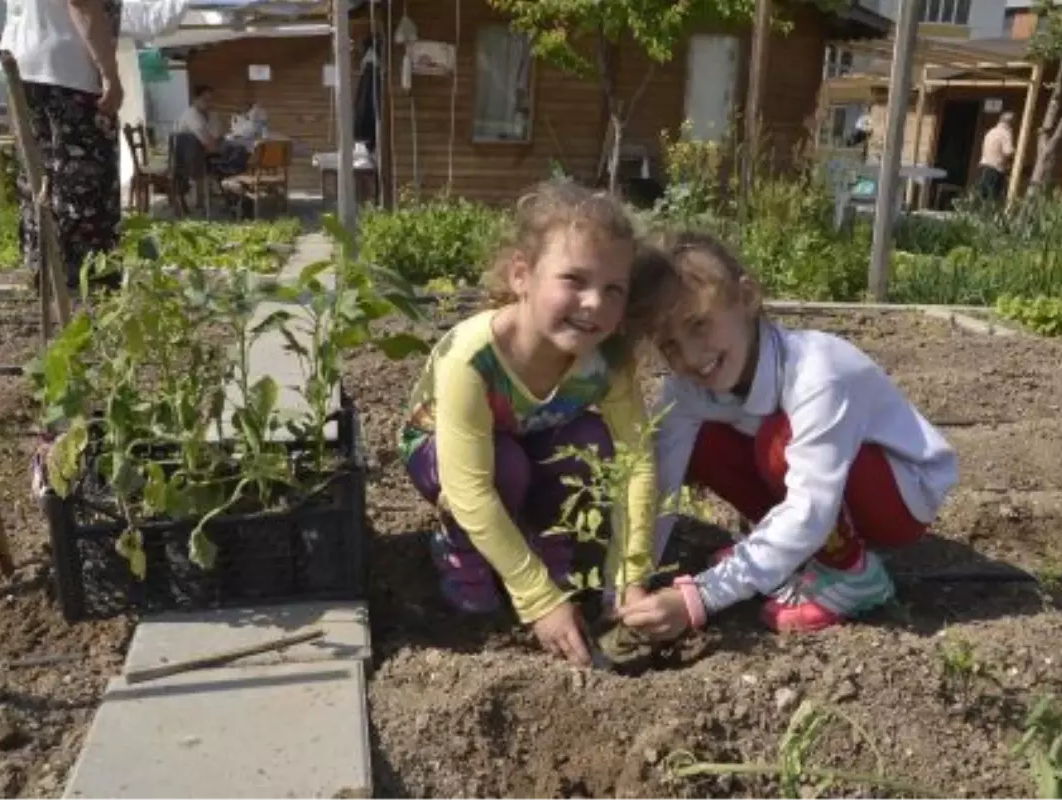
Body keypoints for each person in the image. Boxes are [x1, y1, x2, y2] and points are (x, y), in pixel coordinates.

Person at [616, 232, 958, 640]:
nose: (691, 356)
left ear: (747, 297)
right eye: (670, 344)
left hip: (899, 498)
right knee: (701, 441)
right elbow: (660, 483)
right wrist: (629, 580)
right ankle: (795, 554)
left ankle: (852, 575)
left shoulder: (816, 374)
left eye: (699, 325)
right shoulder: (687, 387)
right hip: (818, 491)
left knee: (780, 441)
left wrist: (702, 596)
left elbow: (810, 509)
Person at [399, 180, 657, 667]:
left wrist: (628, 577)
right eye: (574, 280)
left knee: (593, 444)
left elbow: (636, 462)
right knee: (504, 467)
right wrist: (538, 600)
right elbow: (470, 487)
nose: (594, 304)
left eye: (613, 289)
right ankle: (461, 549)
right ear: (522, 275)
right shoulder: (473, 358)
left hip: (531, 436)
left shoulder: (608, 362)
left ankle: (544, 538)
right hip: (443, 455)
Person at [0, 0, 123, 289]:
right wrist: (109, 73)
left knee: (39, 176)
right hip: (68, 71)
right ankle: (84, 282)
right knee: (85, 182)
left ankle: (46, 274)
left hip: (25, 64)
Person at [174, 84, 250, 177]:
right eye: (205, 100)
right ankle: (229, 178)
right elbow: (210, 144)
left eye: (210, 100)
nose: (208, 103)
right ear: (195, 99)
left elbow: (217, 136)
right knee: (238, 150)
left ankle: (229, 180)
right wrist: (219, 144)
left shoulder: (207, 115)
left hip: (203, 155)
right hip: (194, 159)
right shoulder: (192, 116)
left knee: (238, 148)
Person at [976, 111, 1016, 203]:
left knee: (983, 196)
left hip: (984, 166)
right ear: (1010, 123)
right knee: (993, 198)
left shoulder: (991, 132)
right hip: (995, 169)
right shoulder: (1005, 133)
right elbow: (1008, 151)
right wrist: (1016, 151)